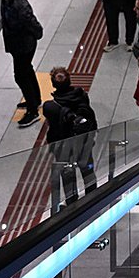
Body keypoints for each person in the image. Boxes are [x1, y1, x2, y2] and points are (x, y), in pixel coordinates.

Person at [0, 0, 43, 128]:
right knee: (27, 71)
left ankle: (33, 110)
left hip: (24, 44)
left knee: (20, 76)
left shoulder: (18, 2)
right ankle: (35, 100)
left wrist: (37, 33)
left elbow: (30, 20)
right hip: (16, 43)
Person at [42, 67, 98, 203]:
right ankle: (93, 200)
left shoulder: (50, 106)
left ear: (53, 84)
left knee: (68, 176)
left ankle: (72, 205)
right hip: (83, 143)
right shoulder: (82, 96)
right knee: (88, 171)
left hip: (63, 147)